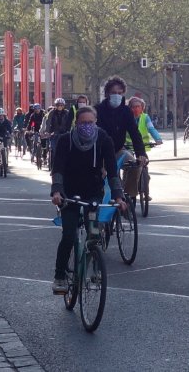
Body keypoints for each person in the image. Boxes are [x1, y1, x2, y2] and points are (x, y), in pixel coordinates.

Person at [49, 105, 126, 294]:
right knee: (68, 235)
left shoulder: (103, 140)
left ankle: (94, 267)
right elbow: (57, 168)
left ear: (96, 122)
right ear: (76, 123)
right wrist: (57, 191)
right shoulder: (66, 141)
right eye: (83, 123)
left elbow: (112, 171)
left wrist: (118, 195)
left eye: (90, 123)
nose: (87, 126)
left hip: (93, 192)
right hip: (69, 193)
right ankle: (60, 276)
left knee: (94, 234)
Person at [94, 76, 147, 202]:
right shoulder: (97, 110)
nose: (117, 95)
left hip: (118, 151)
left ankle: (127, 197)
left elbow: (135, 133)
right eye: (113, 93)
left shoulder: (126, 111)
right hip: (100, 153)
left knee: (135, 165)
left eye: (119, 93)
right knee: (96, 175)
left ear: (123, 94)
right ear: (107, 93)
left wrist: (141, 154)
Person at [126, 97, 163, 202]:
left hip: (142, 147)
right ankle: (127, 191)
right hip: (128, 146)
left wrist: (158, 139)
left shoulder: (145, 117)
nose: (136, 109)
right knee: (129, 167)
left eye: (138, 106)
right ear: (130, 108)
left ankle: (145, 191)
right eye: (133, 107)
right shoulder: (127, 117)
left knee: (144, 167)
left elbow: (151, 129)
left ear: (142, 108)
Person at [42, 98, 73, 167]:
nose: (60, 106)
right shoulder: (52, 112)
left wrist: (69, 131)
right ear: (55, 105)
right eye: (58, 105)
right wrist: (47, 131)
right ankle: (53, 166)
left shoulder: (67, 113)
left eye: (61, 105)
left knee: (67, 149)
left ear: (64, 106)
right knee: (53, 150)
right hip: (54, 133)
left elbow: (69, 123)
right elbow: (48, 122)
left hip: (64, 133)